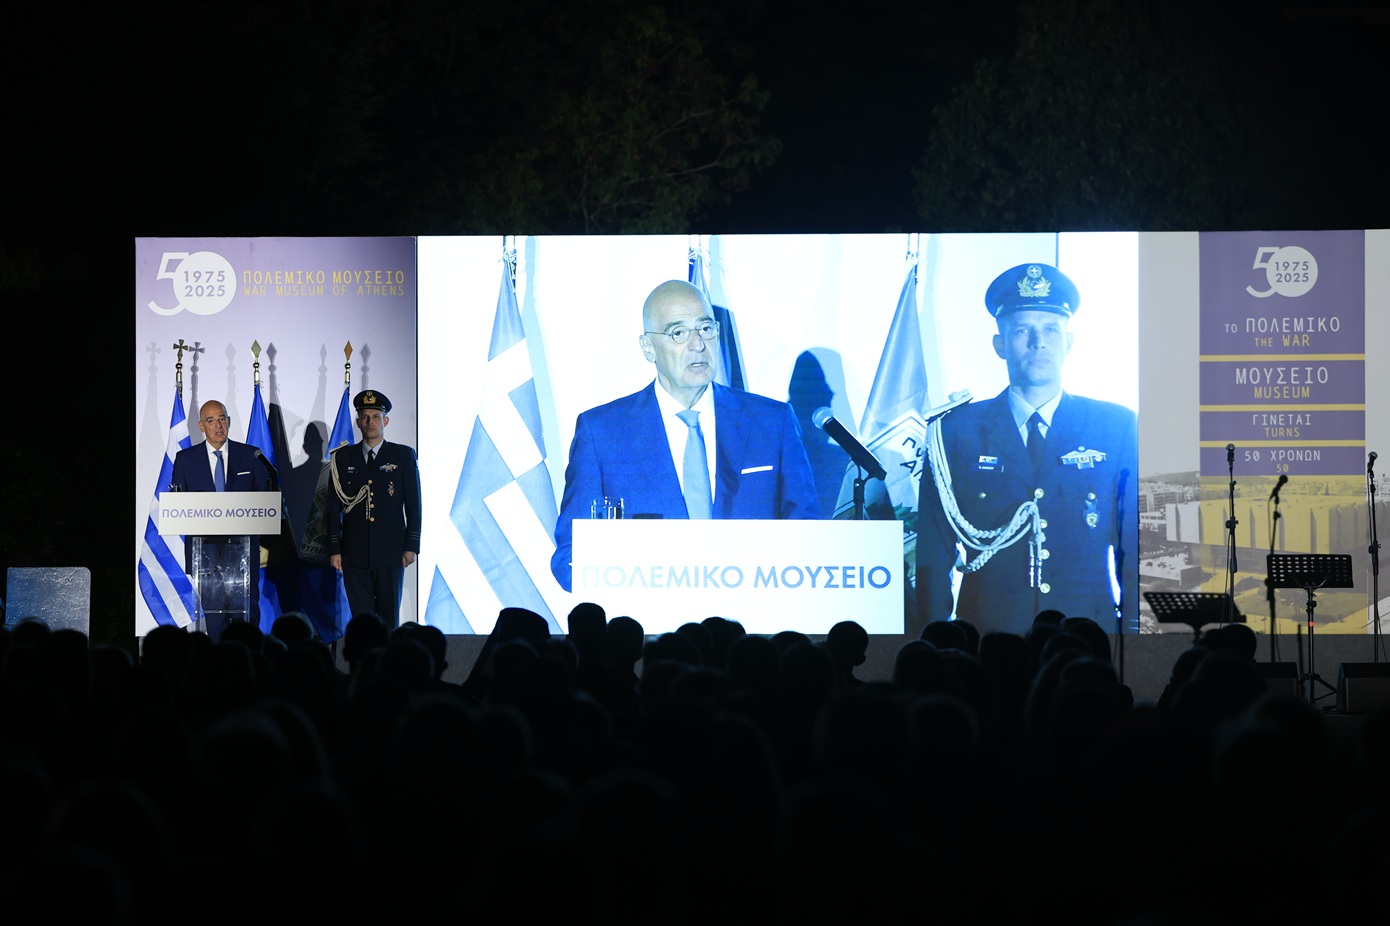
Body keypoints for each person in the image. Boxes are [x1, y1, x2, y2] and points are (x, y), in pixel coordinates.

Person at [550, 279, 820, 591]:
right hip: (649, 619)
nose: (697, 345)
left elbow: (809, 539)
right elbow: (570, 557)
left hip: (752, 618)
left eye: (705, 329)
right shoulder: (602, 433)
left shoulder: (771, 422)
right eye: (678, 333)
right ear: (648, 348)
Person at [916, 263, 1138, 637]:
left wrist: (1133, 638)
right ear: (999, 344)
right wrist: (935, 640)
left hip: (1086, 638)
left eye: (1051, 329)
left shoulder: (1114, 427)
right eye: (1022, 330)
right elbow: (933, 554)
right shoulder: (955, 433)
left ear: (1069, 342)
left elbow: (1133, 544)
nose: (1038, 342)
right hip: (990, 640)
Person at [170, 399, 272, 640]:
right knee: (215, 619)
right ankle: (219, 661)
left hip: (242, 551)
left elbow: (264, 499)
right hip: (205, 552)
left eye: (222, 419)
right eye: (211, 420)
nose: (218, 425)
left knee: (245, 616)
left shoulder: (251, 456)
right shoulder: (185, 460)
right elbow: (177, 504)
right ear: (201, 426)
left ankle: (249, 658)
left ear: (229, 421)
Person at [326, 389, 421, 627]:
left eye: (376, 416)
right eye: (365, 417)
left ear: (385, 421)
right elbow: (332, 507)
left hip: (391, 551)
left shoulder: (403, 456)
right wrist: (335, 549)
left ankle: (388, 654)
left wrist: (411, 545)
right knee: (362, 622)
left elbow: (414, 504)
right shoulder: (342, 458)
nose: (371, 422)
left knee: (389, 618)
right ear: (358, 422)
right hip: (354, 552)